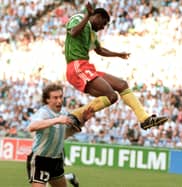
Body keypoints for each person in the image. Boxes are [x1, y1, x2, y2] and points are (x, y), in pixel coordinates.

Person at [64, 2, 168, 131]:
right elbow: (73, 32)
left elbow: (100, 50)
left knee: (122, 85)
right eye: (103, 24)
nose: (102, 28)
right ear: (98, 17)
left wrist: (118, 54)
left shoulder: (92, 34)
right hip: (76, 67)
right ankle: (75, 115)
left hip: (86, 67)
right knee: (111, 96)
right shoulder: (79, 18)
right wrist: (87, 16)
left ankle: (144, 119)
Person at [26, 83, 93, 187]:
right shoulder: (43, 112)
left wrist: (83, 120)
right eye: (55, 98)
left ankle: (70, 177)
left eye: (61, 97)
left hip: (56, 159)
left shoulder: (63, 112)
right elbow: (32, 127)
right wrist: (57, 120)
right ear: (47, 100)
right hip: (41, 159)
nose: (59, 100)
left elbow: (66, 133)